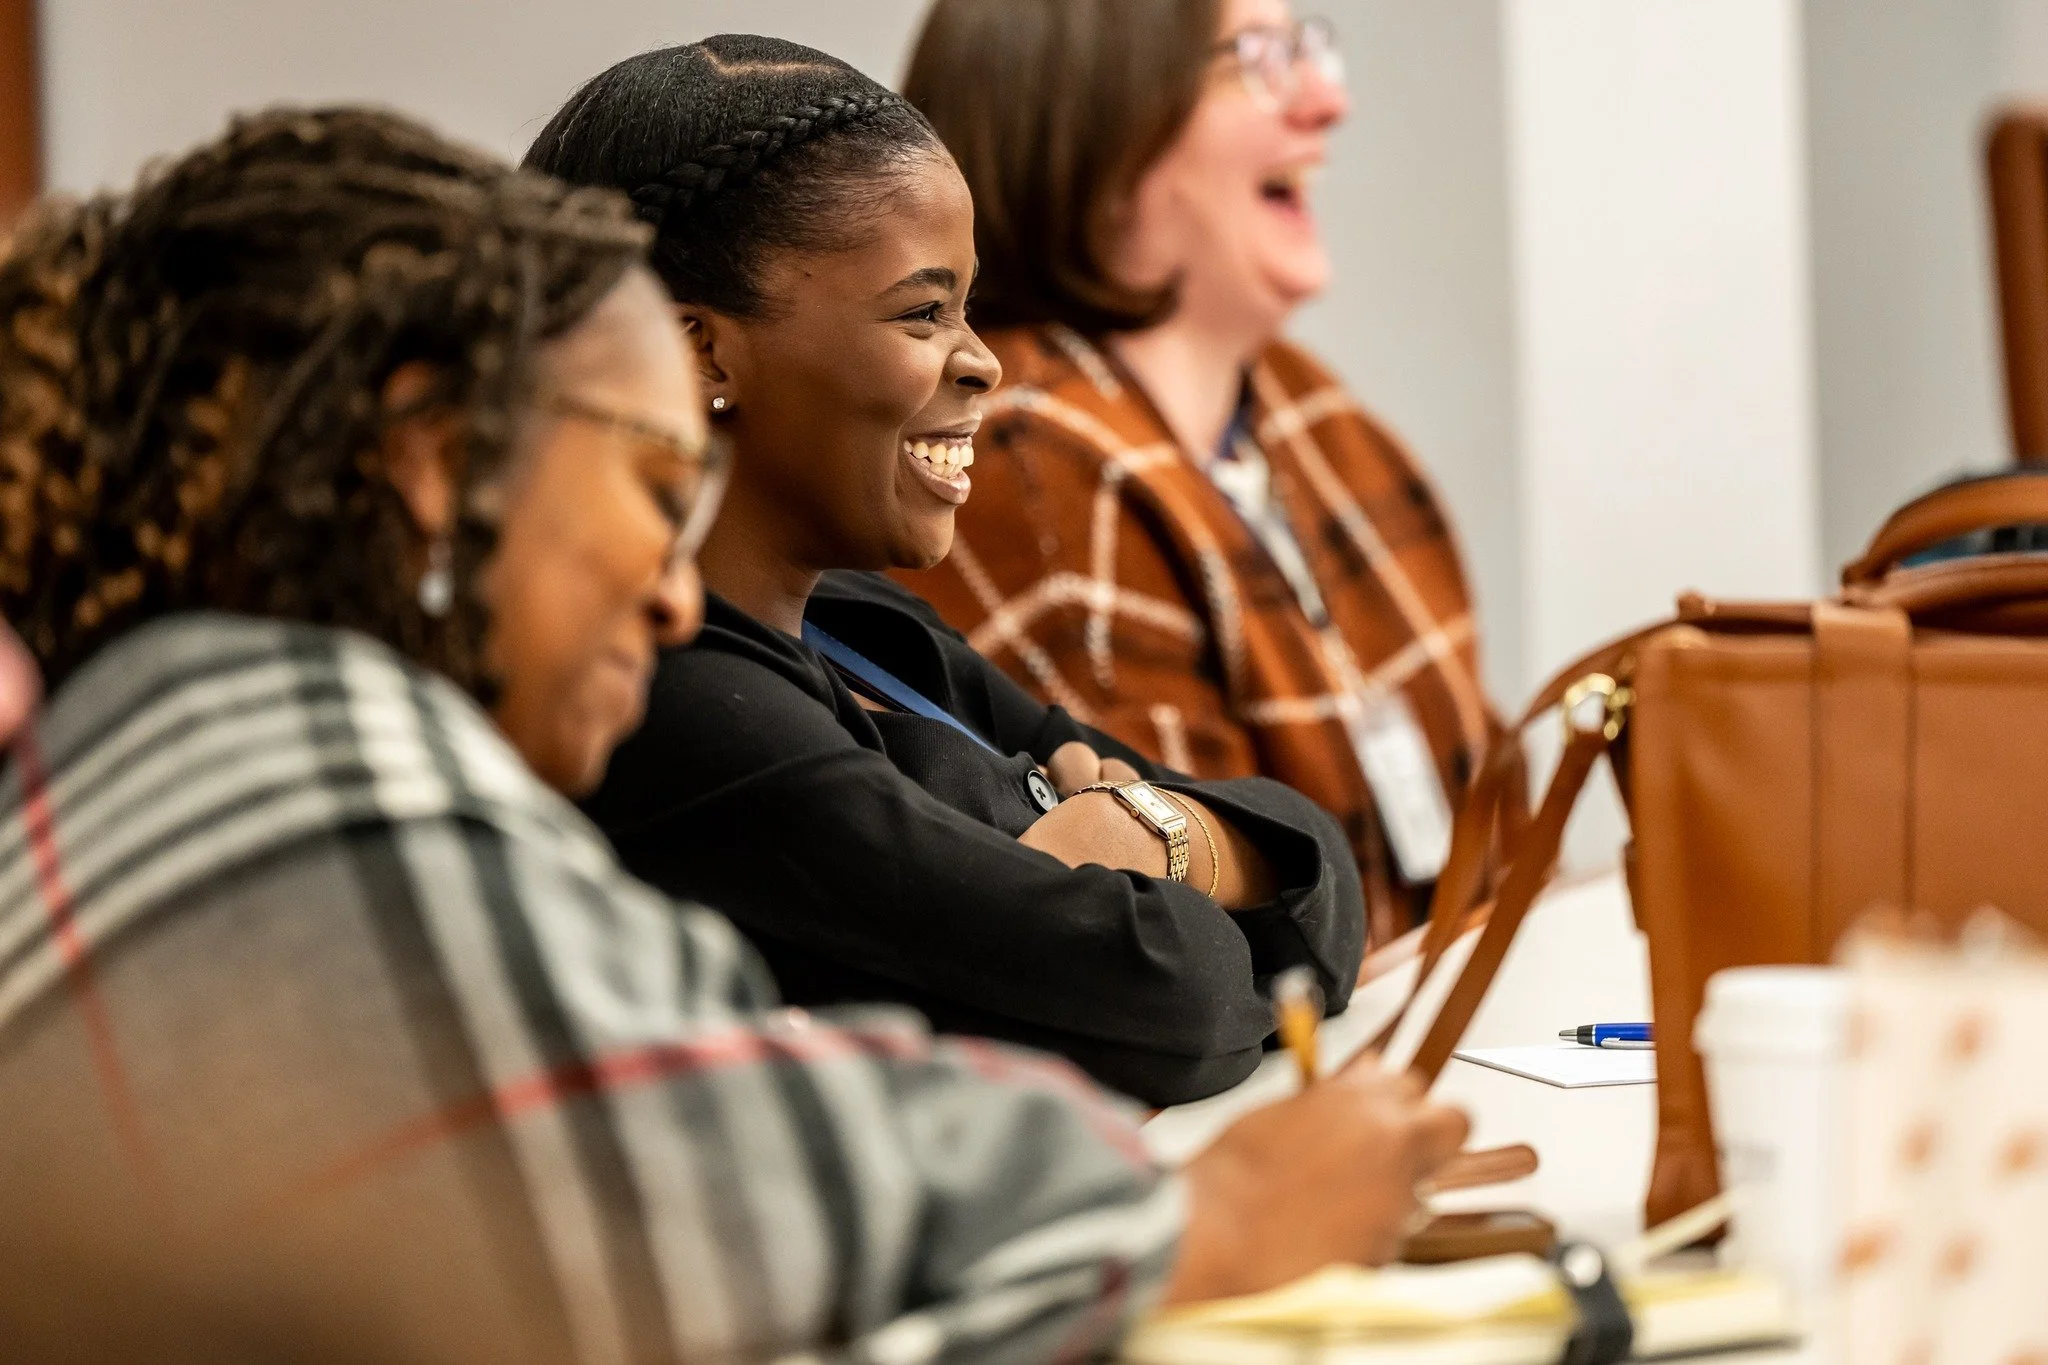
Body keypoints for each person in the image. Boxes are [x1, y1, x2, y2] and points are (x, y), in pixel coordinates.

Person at [0, 107, 1466, 1362]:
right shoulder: (344, 803)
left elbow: (766, 1119)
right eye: (648, 488)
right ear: (440, 467)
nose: (664, 585)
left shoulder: (168, 754)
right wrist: (1214, 1226)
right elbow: (771, 1202)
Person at [529, 36, 1369, 1106]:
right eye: (922, 312)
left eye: (967, 307)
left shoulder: (863, 627)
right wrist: (1121, 856)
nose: (983, 360)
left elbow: (1318, 875)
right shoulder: (676, 698)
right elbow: (1175, 1003)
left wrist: (1143, 833)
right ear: (700, 351)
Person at [894, 0, 1499, 945]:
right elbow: (1209, 936)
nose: (1328, 100)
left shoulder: (1310, 410)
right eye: (1257, 58)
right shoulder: (1031, 474)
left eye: (1308, 50)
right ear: (1094, 124)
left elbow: (1496, 818)